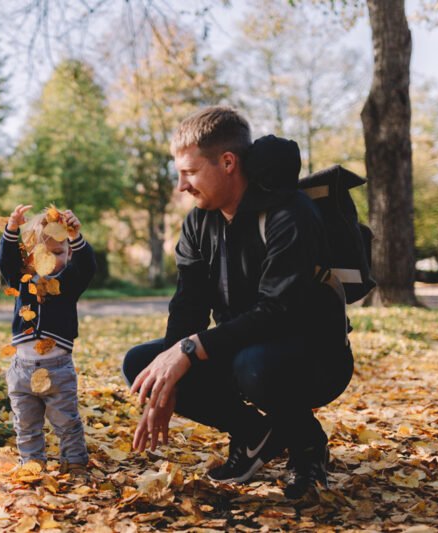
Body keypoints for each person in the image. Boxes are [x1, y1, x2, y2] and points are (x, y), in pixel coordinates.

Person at [122, 106, 353, 499]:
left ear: (227, 162)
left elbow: (278, 312)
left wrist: (190, 349)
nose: (181, 186)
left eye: (190, 173)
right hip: (245, 350)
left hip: (315, 356)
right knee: (142, 365)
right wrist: (168, 373)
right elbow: (188, 304)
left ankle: (307, 449)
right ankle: (254, 436)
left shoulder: (289, 215)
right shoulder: (199, 222)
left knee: (254, 367)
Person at [0, 205, 96, 477]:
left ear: (69, 253)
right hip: (21, 370)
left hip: (58, 369)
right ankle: (32, 464)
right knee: (25, 424)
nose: (52, 260)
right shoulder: (21, 281)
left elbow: (88, 266)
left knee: (67, 422)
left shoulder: (69, 283)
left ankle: (74, 463)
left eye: (59, 253)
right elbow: (4, 261)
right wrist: (12, 228)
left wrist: (76, 235)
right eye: (43, 253)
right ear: (28, 257)